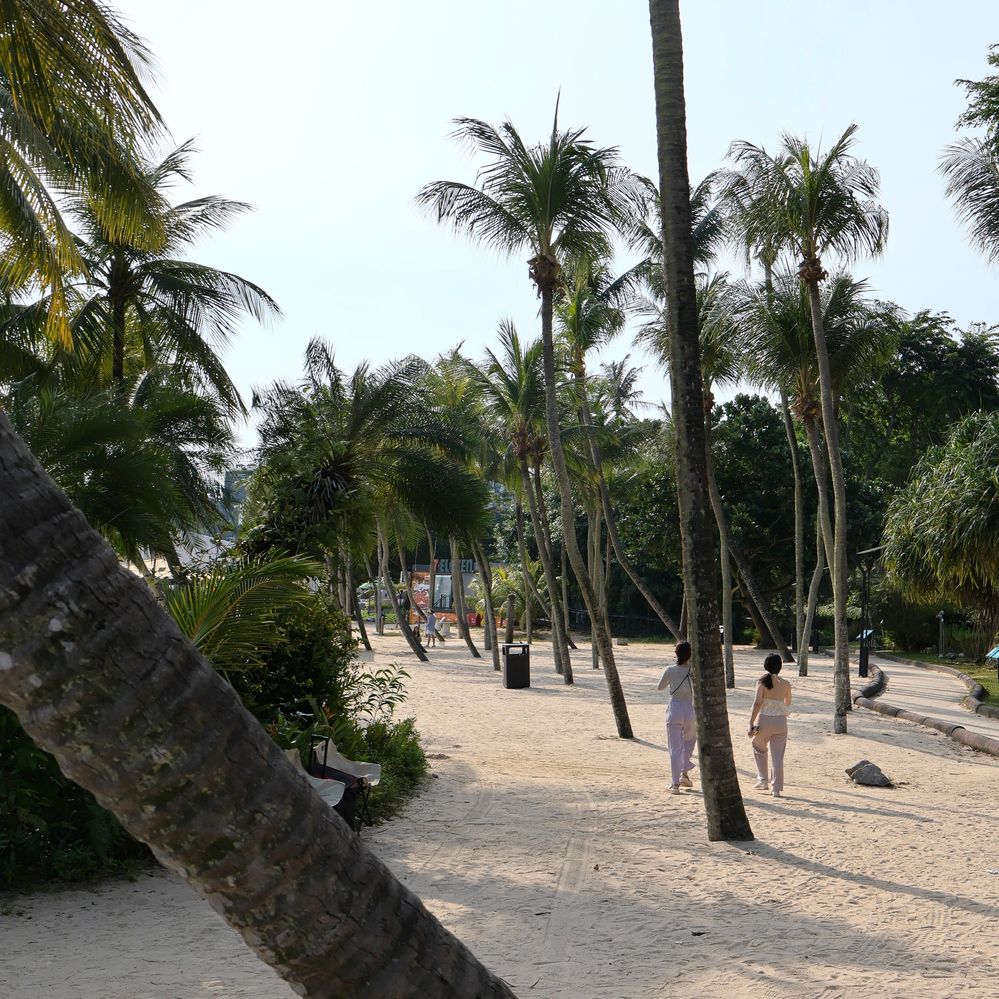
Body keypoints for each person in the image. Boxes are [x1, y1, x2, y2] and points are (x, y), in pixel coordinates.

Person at [748, 652, 792, 797]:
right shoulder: (786, 684)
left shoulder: (761, 682)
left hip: (764, 720)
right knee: (778, 756)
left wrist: (751, 723)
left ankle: (762, 779)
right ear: (780, 666)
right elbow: (788, 704)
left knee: (758, 746)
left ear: (766, 665)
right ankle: (776, 788)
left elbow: (757, 703)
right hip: (781, 722)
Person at [657, 640, 696, 795]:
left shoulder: (670, 670)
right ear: (689, 655)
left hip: (674, 708)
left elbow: (660, 687)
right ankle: (684, 772)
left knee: (675, 747)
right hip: (689, 709)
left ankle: (675, 783)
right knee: (689, 742)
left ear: (676, 653)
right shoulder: (692, 670)